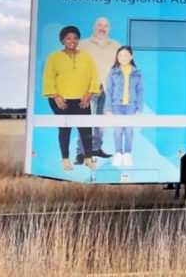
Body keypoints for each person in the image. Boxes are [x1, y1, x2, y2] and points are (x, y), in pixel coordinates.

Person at [41, 26, 100, 171]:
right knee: (64, 129)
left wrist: (89, 94)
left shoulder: (86, 56)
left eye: (75, 38)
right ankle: (65, 160)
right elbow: (48, 78)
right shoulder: (54, 57)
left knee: (86, 130)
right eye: (68, 38)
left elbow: (94, 76)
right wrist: (56, 97)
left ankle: (88, 158)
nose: (72, 41)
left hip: (82, 100)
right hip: (61, 100)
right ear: (62, 40)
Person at [76, 17, 120, 163]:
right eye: (100, 25)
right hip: (88, 88)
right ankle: (81, 152)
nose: (103, 28)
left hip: (108, 88)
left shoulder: (115, 46)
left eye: (106, 25)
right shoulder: (83, 45)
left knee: (102, 121)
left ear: (109, 29)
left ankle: (95, 148)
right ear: (94, 27)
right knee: (85, 120)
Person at [104, 46, 143, 167]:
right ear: (117, 57)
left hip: (131, 105)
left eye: (126, 55)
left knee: (129, 130)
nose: (123, 58)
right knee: (118, 130)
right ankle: (118, 153)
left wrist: (139, 108)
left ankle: (127, 154)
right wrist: (108, 108)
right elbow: (109, 90)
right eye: (120, 55)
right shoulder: (113, 71)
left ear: (131, 57)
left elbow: (140, 91)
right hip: (116, 105)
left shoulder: (137, 72)